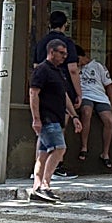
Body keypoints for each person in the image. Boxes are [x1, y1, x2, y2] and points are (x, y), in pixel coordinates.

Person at [29, 39, 82, 202]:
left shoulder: (58, 71)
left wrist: (74, 116)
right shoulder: (42, 70)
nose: (65, 57)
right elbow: (33, 93)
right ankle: (45, 185)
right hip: (47, 117)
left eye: (66, 53)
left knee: (43, 154)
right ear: (52, 52)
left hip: (57, 118)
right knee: (59, 148)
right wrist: (36, 119)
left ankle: (36, 189)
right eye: (62, 53)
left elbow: (64, 96)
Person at [32, 10, 81, 179]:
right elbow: (73, 69)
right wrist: (78, 93)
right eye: (62, 54)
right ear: (65, 25)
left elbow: (35, 66)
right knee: (58, 136)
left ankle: (38, 173)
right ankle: (54, 169)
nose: (63, 56)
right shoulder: (66, 43)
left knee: (44, 139)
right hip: (56, 93)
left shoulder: (41, 43)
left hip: (45, 91)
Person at [76, 46, 112, 171]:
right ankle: (84, 146)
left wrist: (111, 102)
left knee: (109, 120)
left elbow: (108, 85)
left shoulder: (98, 66)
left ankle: (105, 152)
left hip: (100, 96)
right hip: (85, 95)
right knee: (86, 112)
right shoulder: (75, 68)